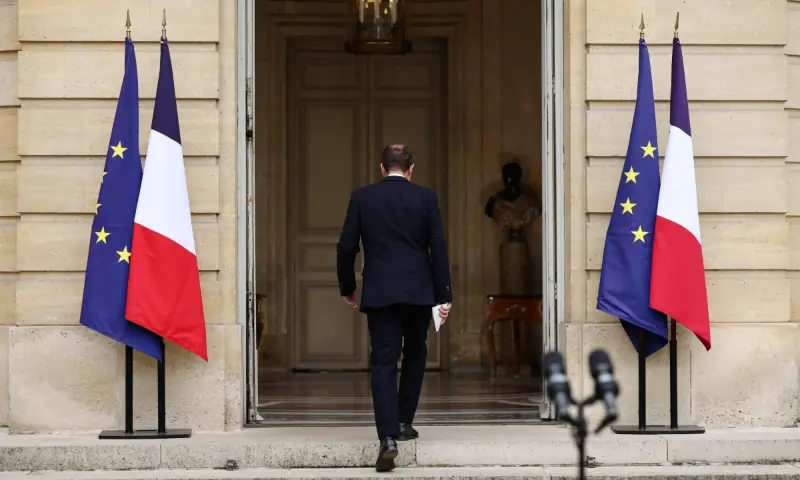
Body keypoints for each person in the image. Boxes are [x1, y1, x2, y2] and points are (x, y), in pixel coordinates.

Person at [336, 144, 452, 472]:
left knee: (384, 360)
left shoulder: (363, 197)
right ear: (411, 169)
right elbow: (438, 248)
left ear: (382, 167)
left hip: (381, 291)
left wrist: (347, 286)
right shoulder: (426, 198)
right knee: (415, 354)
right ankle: (403, 421)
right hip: (419, 291)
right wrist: (444, 294)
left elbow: (346, 246)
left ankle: (387, 437)